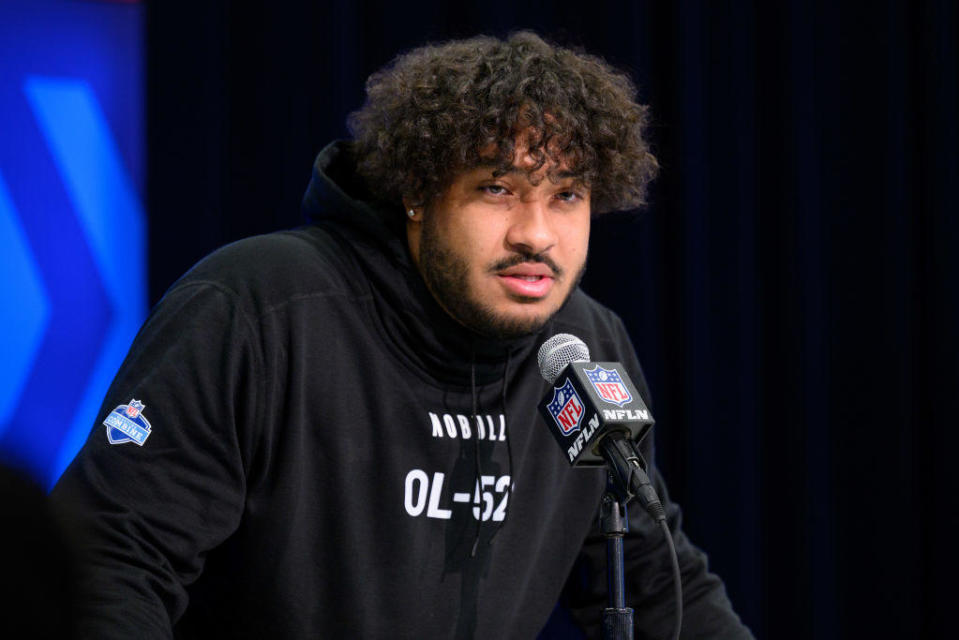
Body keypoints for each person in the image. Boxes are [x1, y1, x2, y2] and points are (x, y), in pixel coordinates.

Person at [51, 32, 753, 638]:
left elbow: (660, 586)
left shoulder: (583, 348)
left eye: (567, 196)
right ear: (416, 192)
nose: (537, 234)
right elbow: (110, 560)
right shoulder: (259, 308)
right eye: (497, 189)